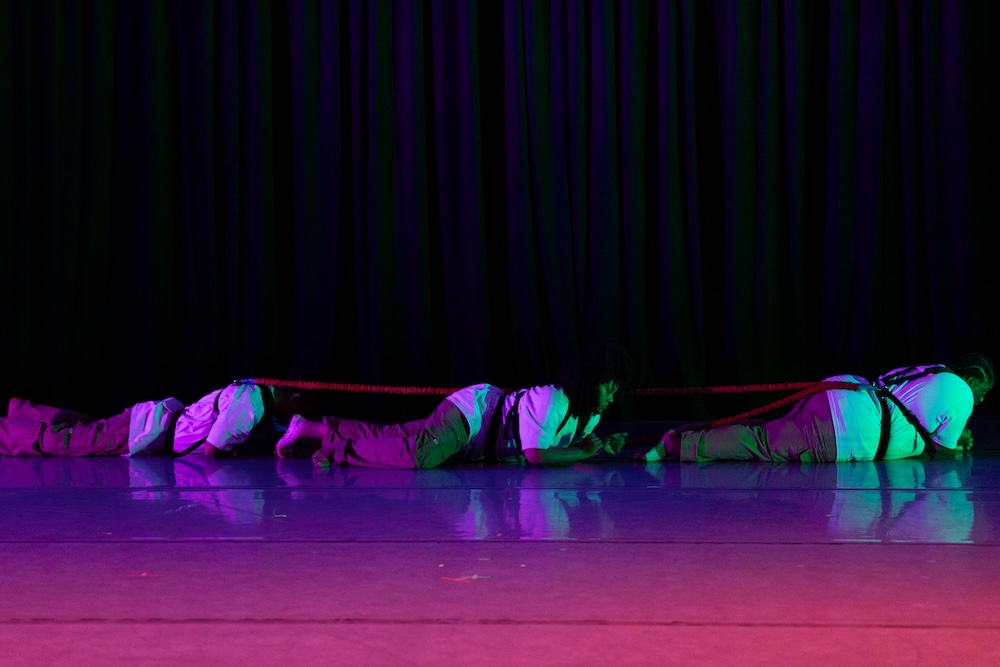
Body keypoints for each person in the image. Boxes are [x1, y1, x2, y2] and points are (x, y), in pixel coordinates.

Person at [274, 344, 636, 468]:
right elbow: (536, 455)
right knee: (419, 455)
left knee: (399, 435)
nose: (611, 395)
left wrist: (598, 445)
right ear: (591, 381)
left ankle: (310, 428)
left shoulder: (589, 417)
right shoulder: (553, 399)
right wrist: (586, 452)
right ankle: (338, 451)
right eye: (609, 385)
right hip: (471, 415)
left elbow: (566, 449)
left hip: (475, 434)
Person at [639, 353, 994, 463]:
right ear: (975, 380)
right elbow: (942, 454)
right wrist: (959, 442)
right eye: (985, 391)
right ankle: (678, 445)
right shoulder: (962, 392)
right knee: (762, 443)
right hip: (846, 426)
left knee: (768, 430)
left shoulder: (938, 372)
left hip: (846, 396)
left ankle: (690, 434)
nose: (981, 400)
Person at [0, 380, 304, 458]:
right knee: (64, 442)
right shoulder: (253, 401)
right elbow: (213, 449)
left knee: (82, 429)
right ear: (294, 397)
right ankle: (6, 430)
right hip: (145, 430)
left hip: (148, 422)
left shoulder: (253, 395)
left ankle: (20, 409)